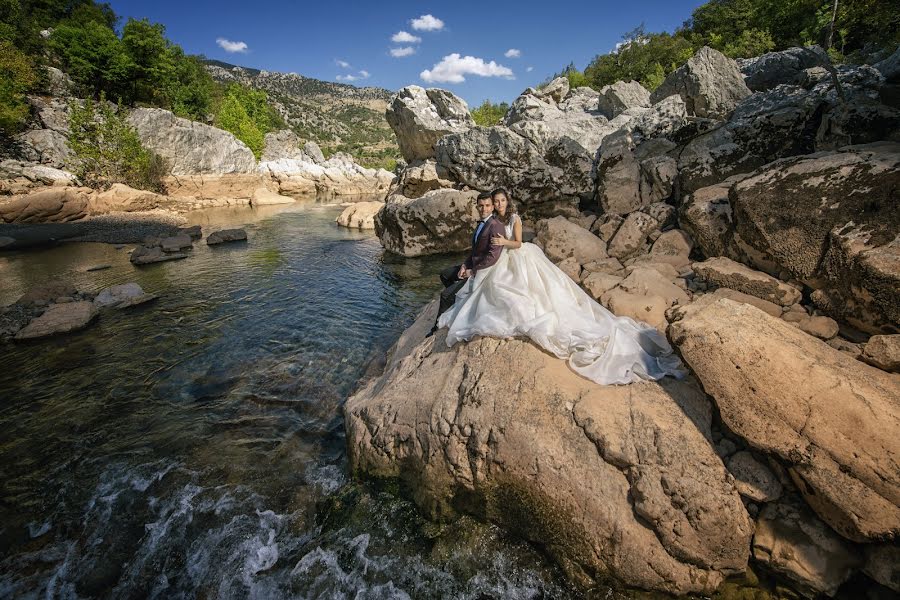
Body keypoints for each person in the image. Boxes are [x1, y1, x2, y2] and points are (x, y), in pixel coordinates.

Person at [436, 188, 684, 385]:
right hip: (504, 258)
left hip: (520, 255)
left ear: (506, 202)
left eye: (500, 201)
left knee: (535, 289)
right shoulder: (495, 221)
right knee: (507, 287)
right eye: (495, 202)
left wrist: (504, 242)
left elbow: (519, 243)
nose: (499, 205)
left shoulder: (513, 218)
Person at [427, 192, 506, 337]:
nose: (484, 209)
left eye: (487, 205)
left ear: (493, 207)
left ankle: (436, 327)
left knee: (445, 296)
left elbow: (492, 256)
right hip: (472, 265)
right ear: (477, 206)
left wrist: (472, 271)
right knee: (444, 274)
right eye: (481, 206)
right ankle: (458, 300)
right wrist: (464, 265)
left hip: (483, 271)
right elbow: (475, 251)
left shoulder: (496, 226)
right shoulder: (481, 224)